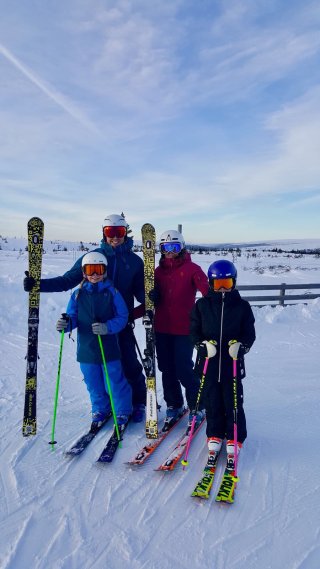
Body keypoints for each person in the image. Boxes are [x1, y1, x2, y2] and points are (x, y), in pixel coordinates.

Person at [24, 214, 146, 422]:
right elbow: (67, 281)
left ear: (125, 233)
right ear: (104, 233)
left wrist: (148, 302)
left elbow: (141, 295)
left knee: (128, 363)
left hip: (120, 323)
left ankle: (138, 403)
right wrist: (38, 285)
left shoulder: (134, 261)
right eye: (110, 232)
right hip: (92, 325)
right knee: (96, 369)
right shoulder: (92, 257)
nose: (115, 237)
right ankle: (104, 406)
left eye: (120, 232)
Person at [190, 259, 256, 469]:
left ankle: (235, 436)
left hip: (232, 366)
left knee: (233, 402)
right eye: (217, 284)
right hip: (208, 365)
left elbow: (249, 334)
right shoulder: (201, 305)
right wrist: (202, 346)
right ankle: (215, 434)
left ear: (234, 282)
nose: (221, 289)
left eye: (226, 284)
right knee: (212, 402)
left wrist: (242, 346)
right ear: (210, 284)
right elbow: (193, 332)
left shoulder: (243, 307)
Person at [56, 252, 132, 430]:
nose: (95, 274)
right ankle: (100, 409)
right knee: (93, 381)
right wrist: (65, 324)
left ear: (105, 271)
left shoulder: (112, 292)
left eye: (99, 269)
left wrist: (107, 327)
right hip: (87, 348)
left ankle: (122, 410)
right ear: (84, 272)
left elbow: (122, 316)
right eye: (91, 270)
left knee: (113, 380)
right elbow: (73, 317)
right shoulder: (77, 294)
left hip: (108, 346)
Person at [152, 229, 209, 432]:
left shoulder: (192, 268)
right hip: (161, 329)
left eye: (174, 247)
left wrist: (213, 312)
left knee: (184, 369)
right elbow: (148, 301)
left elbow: (207, 292)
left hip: (184, 329)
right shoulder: (157, 273)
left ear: (182, 247)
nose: (170, 252)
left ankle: (197, 406)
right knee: (166, 369)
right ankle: (174, 404)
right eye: (166, 247)